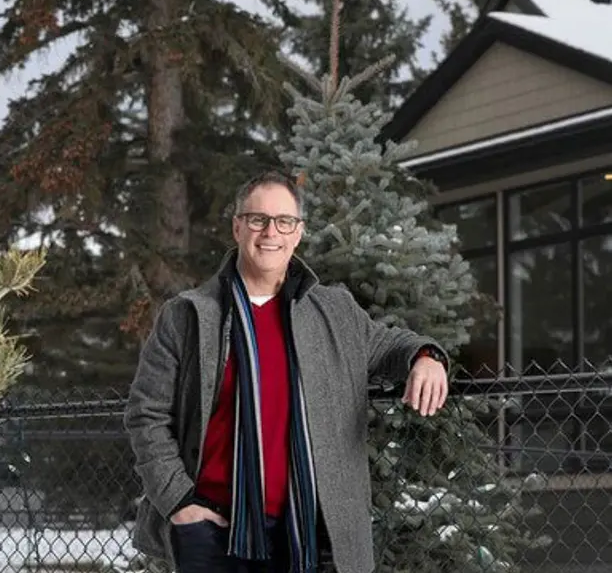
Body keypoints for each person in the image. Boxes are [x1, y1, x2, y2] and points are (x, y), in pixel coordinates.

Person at [123, 172, 449, 573]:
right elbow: (146, 414)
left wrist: (427, 357)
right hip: (213, 532)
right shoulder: (189, 316)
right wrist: (178, 500)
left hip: (311, 533)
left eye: (284, 221)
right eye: (258, 219)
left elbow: (392, 345)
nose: (270, 232)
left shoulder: (334, 312)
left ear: (298, 233)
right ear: (238, 226)